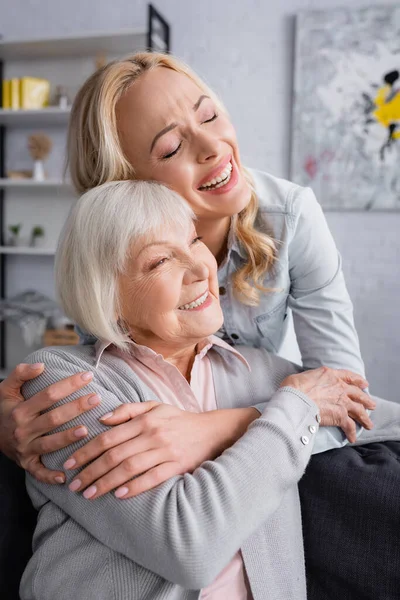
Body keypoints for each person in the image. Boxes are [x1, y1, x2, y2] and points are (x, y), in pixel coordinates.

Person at [0, 51, 372, 488]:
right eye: (172, 147)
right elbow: (103, 382)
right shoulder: (104, 252)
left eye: (209, 116)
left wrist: (214, 430)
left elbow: (349, 403)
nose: (213, 147)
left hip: (269, 447)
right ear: (125, 186)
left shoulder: (292, 217)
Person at [19, 180, 400, 600]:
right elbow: (189, 545)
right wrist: (294, 410)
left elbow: (380, 417)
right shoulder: (63, 383)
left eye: (195, 240)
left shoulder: (265, 374)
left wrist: (247, 419)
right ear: (106, 294)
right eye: (161, 261)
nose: (202, 267)